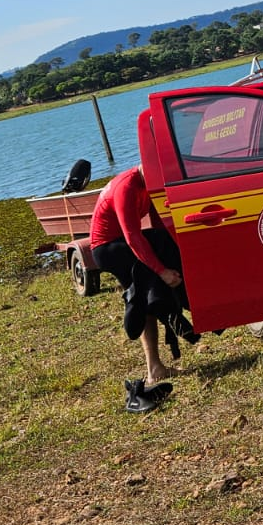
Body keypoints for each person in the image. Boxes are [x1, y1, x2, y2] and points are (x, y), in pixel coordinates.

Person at [87, 167, 184, 412]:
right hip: (108, 248)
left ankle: (156, 368)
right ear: (144, 166)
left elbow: (159, 223)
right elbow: (132, 237)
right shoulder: (126, 187)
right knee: (146, 296)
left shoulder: (149, 184)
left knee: (158, 261)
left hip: (123, 242)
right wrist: (161, 271)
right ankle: (153, 366)